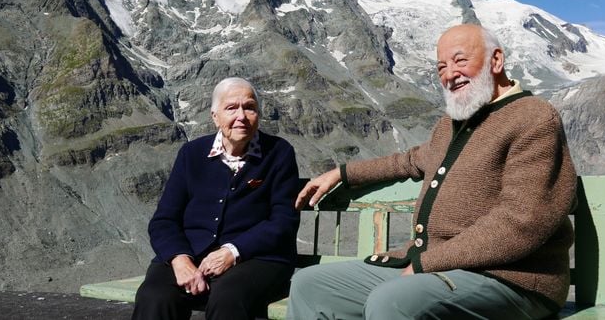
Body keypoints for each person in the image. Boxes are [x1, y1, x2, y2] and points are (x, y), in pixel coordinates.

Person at [287, 24, 577, 320]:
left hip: (512, 280)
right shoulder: (451, 126)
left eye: (460, 60)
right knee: (310, 286)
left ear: (496, 60)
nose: (450, 74)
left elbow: (522, 221)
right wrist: (342, 173)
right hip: (439, 269)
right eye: (441, 67)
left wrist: (429, 262)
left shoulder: (535, 119)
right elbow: (408, 161)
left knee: (393, 302)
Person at [132, 77, 301, 320]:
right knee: (154, 296)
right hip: (190, 254)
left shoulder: (279, 153)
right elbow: (164, 220)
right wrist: (180, 261)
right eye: (232, 108)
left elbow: (283, 221)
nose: (241, 116)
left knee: (228, 297)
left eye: (250, 107)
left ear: (258, 114)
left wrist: (233, 251)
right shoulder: (192, 154)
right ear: (215, 116)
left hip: (255, 257)